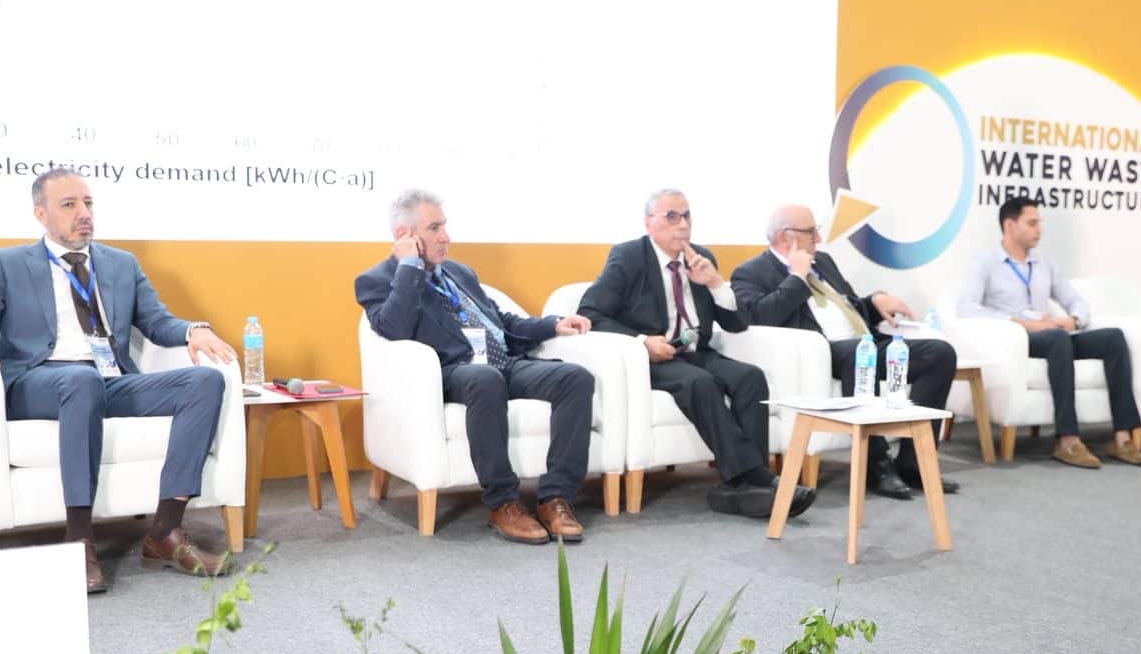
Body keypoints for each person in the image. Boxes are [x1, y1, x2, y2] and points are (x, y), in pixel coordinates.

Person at [0, 168, 237, 593]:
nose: (83, 213)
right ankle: (79, 539)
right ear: (41, 213)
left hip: (108, 381)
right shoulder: (7, 263)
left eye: (87, 203)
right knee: (81, 380)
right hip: (39, 382)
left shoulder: (121, 263)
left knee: (204, 382)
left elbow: (157, 322)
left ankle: (165, 532)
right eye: (69, 205)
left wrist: (195, 330)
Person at [356, 189, 596, 544]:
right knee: (485, 379)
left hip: (504, 364)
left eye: (445, 226)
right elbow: (395, 328)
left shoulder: (459, 272)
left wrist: (553, 325)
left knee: (575, 378)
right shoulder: (376, 280)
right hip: (453, 371)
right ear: (404, 235)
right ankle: (504, 504)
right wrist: (409, 267)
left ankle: (556, 498)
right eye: (434, 228)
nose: (446, 237)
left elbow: (501, 323)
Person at [578, 189, 815, 518]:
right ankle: (759, 478)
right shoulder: (629, 256)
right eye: (672, 216)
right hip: (654, 356)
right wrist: (642, 341)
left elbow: (736, 323)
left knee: (750, 377)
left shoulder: (701, 257)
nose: (683, 224)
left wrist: (716, 284)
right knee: (700, 383)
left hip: (696, 351)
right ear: (648, 222)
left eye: (687, 216)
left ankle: (744, 488)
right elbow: (590, 312)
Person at [732, 203, 959, 498]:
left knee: (939, 354)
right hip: (823, 353)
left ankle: (914, 461)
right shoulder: (750, 272)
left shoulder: (823, 261)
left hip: (863, 342)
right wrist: (797, 278)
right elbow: (758, 317)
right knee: (858, 353)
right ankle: (876, 465)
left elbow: (848, 308)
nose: (818, 239)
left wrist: (874, 303)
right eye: (811, 232)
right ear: (785, 236)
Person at [956, 197, 1141, 469]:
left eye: (1039, 223)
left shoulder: (1044, 262)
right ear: (1010, 226)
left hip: (1054, 337)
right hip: (1019, 339)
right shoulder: (986, 263)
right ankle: (1068, 440)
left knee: (1113, 338)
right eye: (1032, 223)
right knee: (1057, 339)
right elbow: (967, 307)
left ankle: (1122, 438)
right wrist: (1020, 323)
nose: (1039, 229)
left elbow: (1075, 301)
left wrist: (1073, 320)